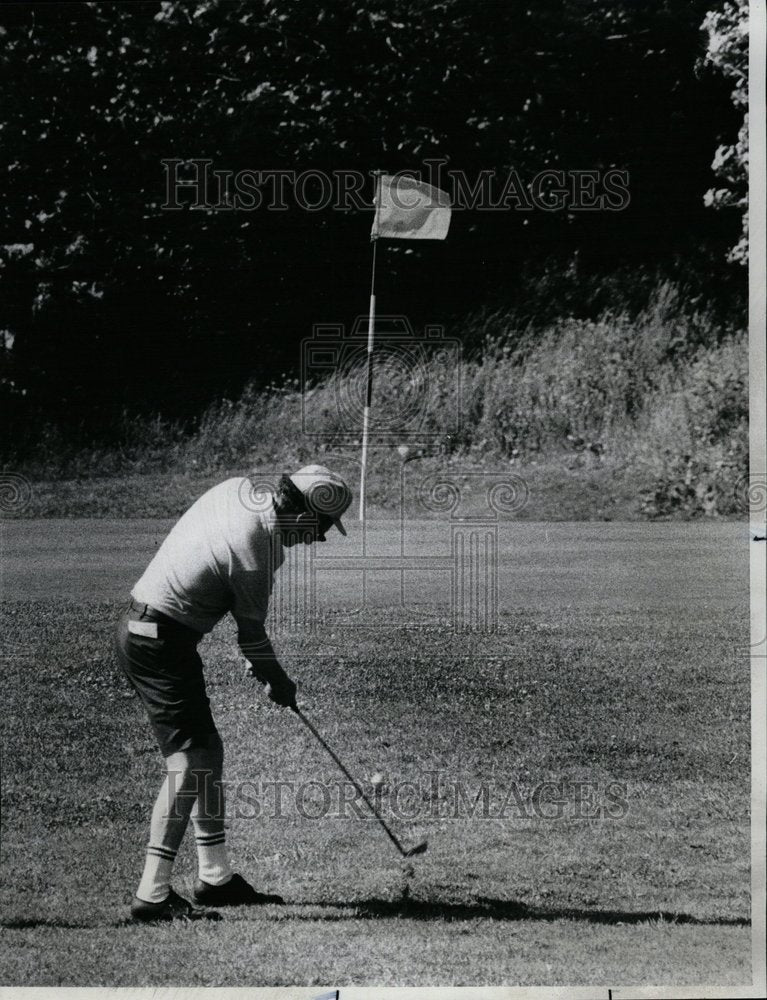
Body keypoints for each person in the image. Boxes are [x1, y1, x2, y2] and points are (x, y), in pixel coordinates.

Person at [115, 464, 352, 922]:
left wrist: (258, 656)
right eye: (322, 528)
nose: (319, 539)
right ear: (302, 514)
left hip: (156, 632)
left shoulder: (242, 491)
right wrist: (278, 680)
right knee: (188, 762)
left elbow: (220, 589)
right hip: (156, 640)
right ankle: (152, 893)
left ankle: (215, 878)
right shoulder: (258, 550)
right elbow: (251, 638)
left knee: (208, 753)